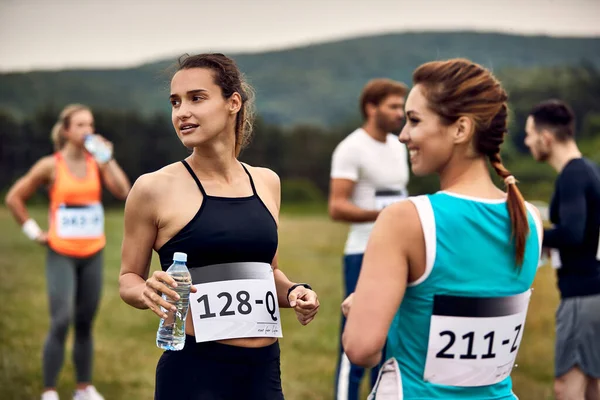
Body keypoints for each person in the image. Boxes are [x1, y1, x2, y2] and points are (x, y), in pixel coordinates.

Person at [118, 53, 320, 400]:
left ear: (233, 102)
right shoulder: (153, 188)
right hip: (195, 372)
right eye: (175, 102)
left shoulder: (267, 182)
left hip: (264, 369)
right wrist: (146, 291)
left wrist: (293, 292)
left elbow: (265, 271)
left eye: (196, 98)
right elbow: (128, 279)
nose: (182, 112)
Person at [341, 58, 543, 399]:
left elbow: (362, 350)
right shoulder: (529, 218)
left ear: (461, 129)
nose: (403, 135)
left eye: (415, 121)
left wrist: (367, 312)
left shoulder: (406, 219)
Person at [4, 104, 131, 400]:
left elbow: (124, 191)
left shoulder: (97, 163)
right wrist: (35, 232)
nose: (88, 130)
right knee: (61, 320)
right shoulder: (51, 165)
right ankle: (49, 391)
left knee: (85, 320)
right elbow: (14, 198)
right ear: (66, 131)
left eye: (91, 124)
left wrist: (108, 159)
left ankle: (83, 388)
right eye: (81, 125)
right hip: (62, 252)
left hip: (93, 252)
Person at [328, 78, 409, 400]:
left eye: (402, 107)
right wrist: (387, 216)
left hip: (398, 253)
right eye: (393, 106)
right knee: (358, 336)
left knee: (389, 339)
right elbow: (337, 206)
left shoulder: (398, 145)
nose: (400, 113)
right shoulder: (352, 148)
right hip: (363, 252)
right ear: (371, 108)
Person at [524, 99, 600, 400]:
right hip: (593, 291)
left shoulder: (572, 175)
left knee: (567, 387)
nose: (527, 141)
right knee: (593, 386)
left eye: (529, 134)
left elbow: (571, 233)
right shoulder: (589, 169)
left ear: (546, 138)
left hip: (581, 295)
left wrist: (529, 233)